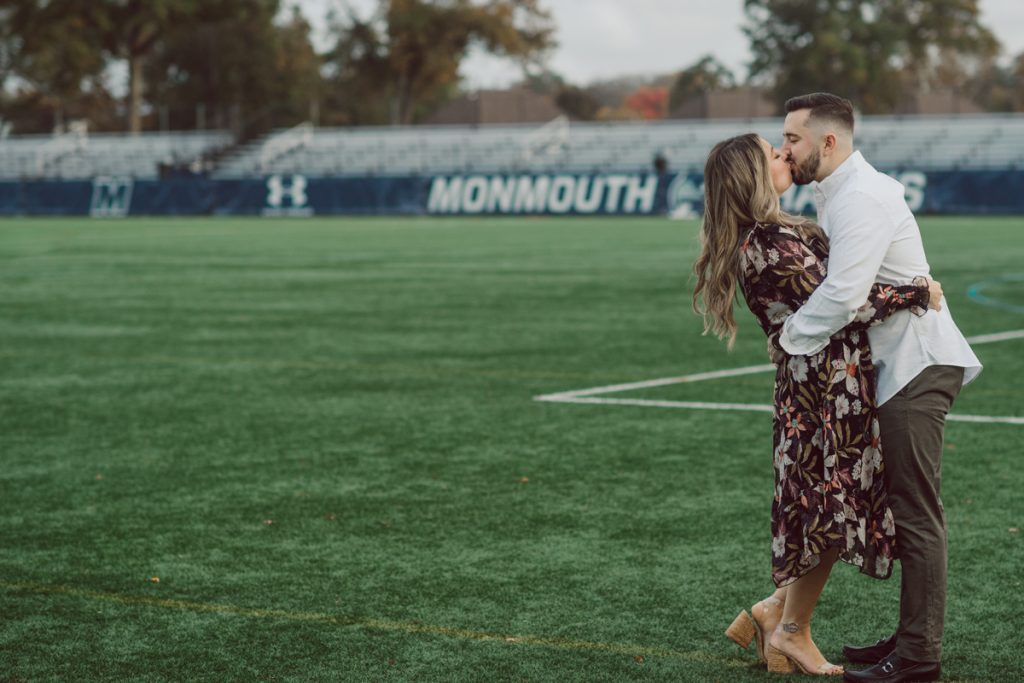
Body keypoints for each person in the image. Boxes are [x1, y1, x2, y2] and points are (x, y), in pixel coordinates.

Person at [693, 133, 944, 676]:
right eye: (773, 153)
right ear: (751, 177)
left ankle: (773, 613)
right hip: (820, 393)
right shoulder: (763, 242)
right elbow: (841, 305)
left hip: (834, 385)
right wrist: (916, 292)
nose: (784, 154)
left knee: (830, 507)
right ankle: (790, 631)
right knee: (829, 512)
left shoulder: (778, 231)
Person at [776, 93, 982, 683]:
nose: (785, 147)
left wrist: (789, 337)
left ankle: (918, 657)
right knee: (906, 509)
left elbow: (843, 294)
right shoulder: (843, 192)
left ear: (829, 142)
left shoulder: (860, 198)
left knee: (917, 515)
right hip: (899, 368)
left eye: (793, 137)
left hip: (915, 366)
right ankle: (910, 635)